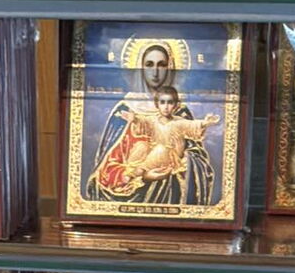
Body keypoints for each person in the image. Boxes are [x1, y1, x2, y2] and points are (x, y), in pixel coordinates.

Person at [86, 43, 216, 207]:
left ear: (169, 68)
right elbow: (106, 166)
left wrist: (181, 158)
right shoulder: (125, 110)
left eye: (161, 65)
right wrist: (142, 175)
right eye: (149, 64)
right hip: (131, 189)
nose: (155, 72)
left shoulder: (180, 113)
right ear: (140, 67)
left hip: (170, 191)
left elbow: (199, 161)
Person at [113, 87, 220, 196]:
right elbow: (143, 122)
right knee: (142, 145)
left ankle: (137, 172)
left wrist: (206, 123)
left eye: (170, 103)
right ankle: (132, 171)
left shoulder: (179, 122)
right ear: (157, 104)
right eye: (162, 102)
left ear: (176, 105)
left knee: (161, 149)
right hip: (154, 153)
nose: (166, 107)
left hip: (171, 157)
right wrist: (134, 119)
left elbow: (193, 125)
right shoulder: (153, 120)